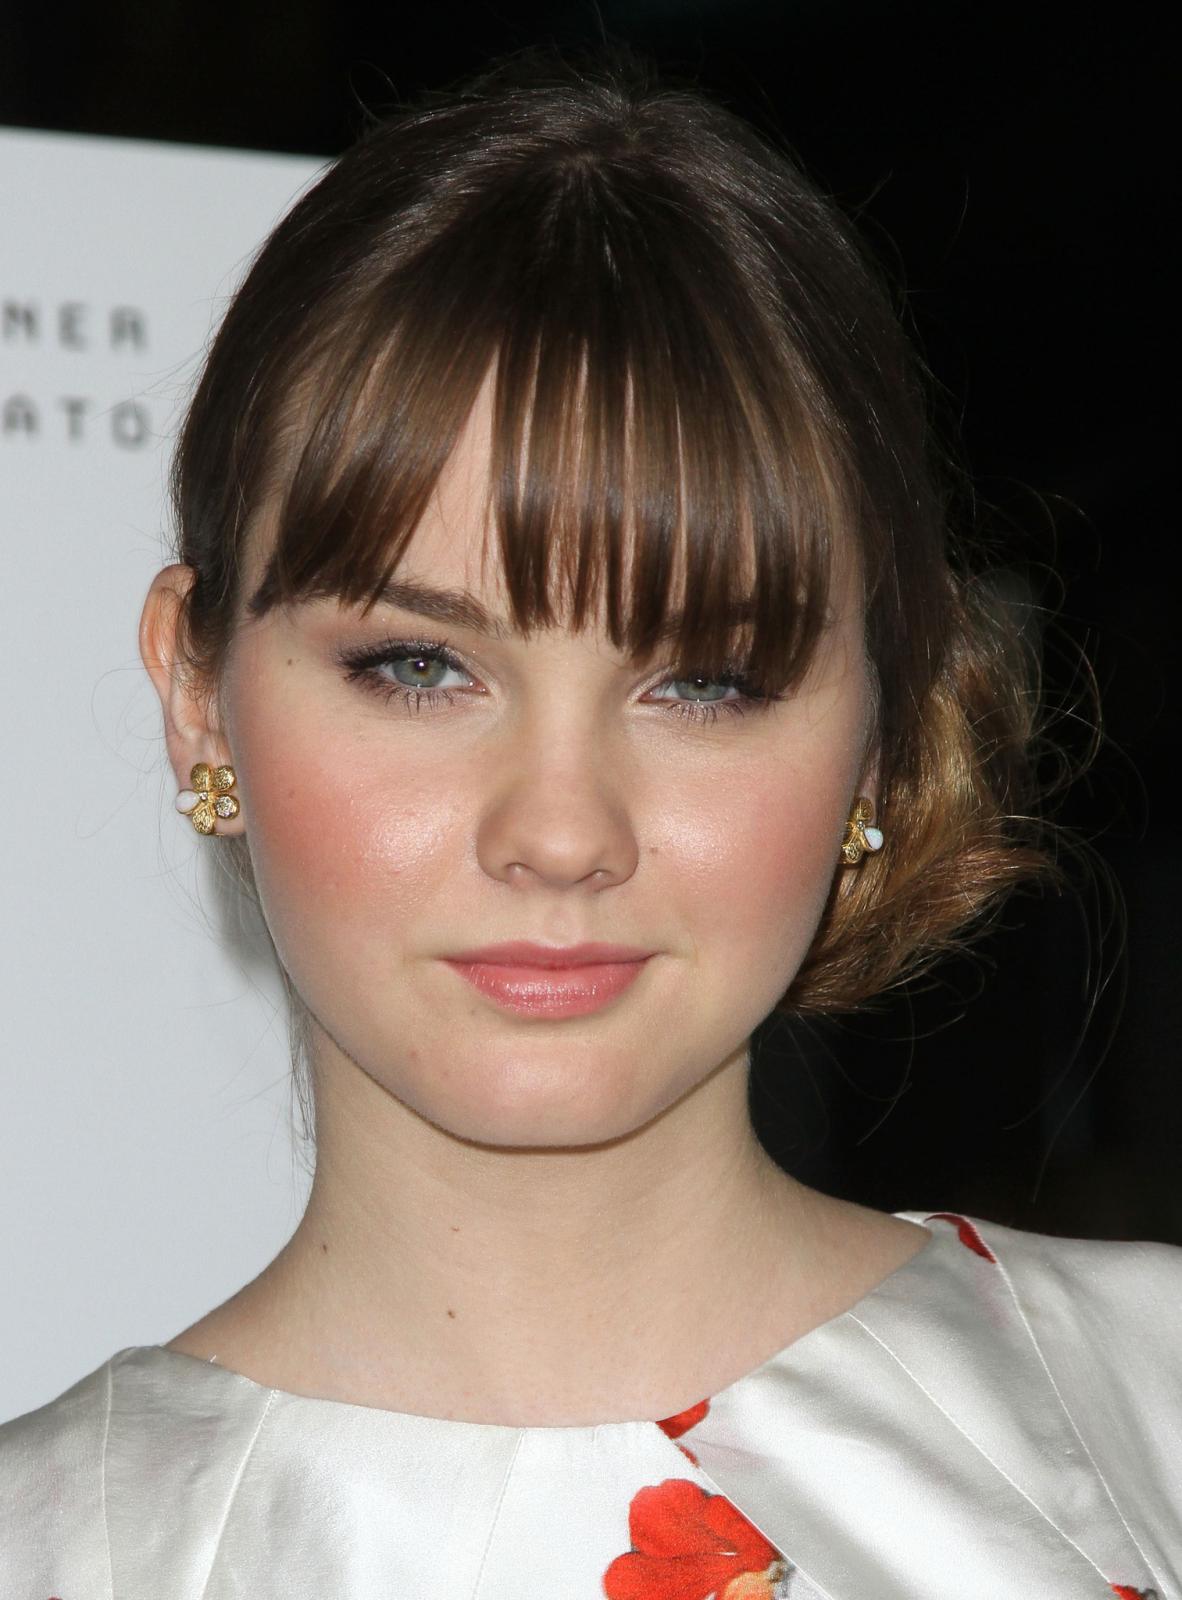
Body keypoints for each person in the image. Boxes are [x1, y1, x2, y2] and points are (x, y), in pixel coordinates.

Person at [1, 45, 1177, 1599]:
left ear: (887, 729)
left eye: (705, 682)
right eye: (418, 668)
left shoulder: (1152, 1414)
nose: (559, 836)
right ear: (199, 692)